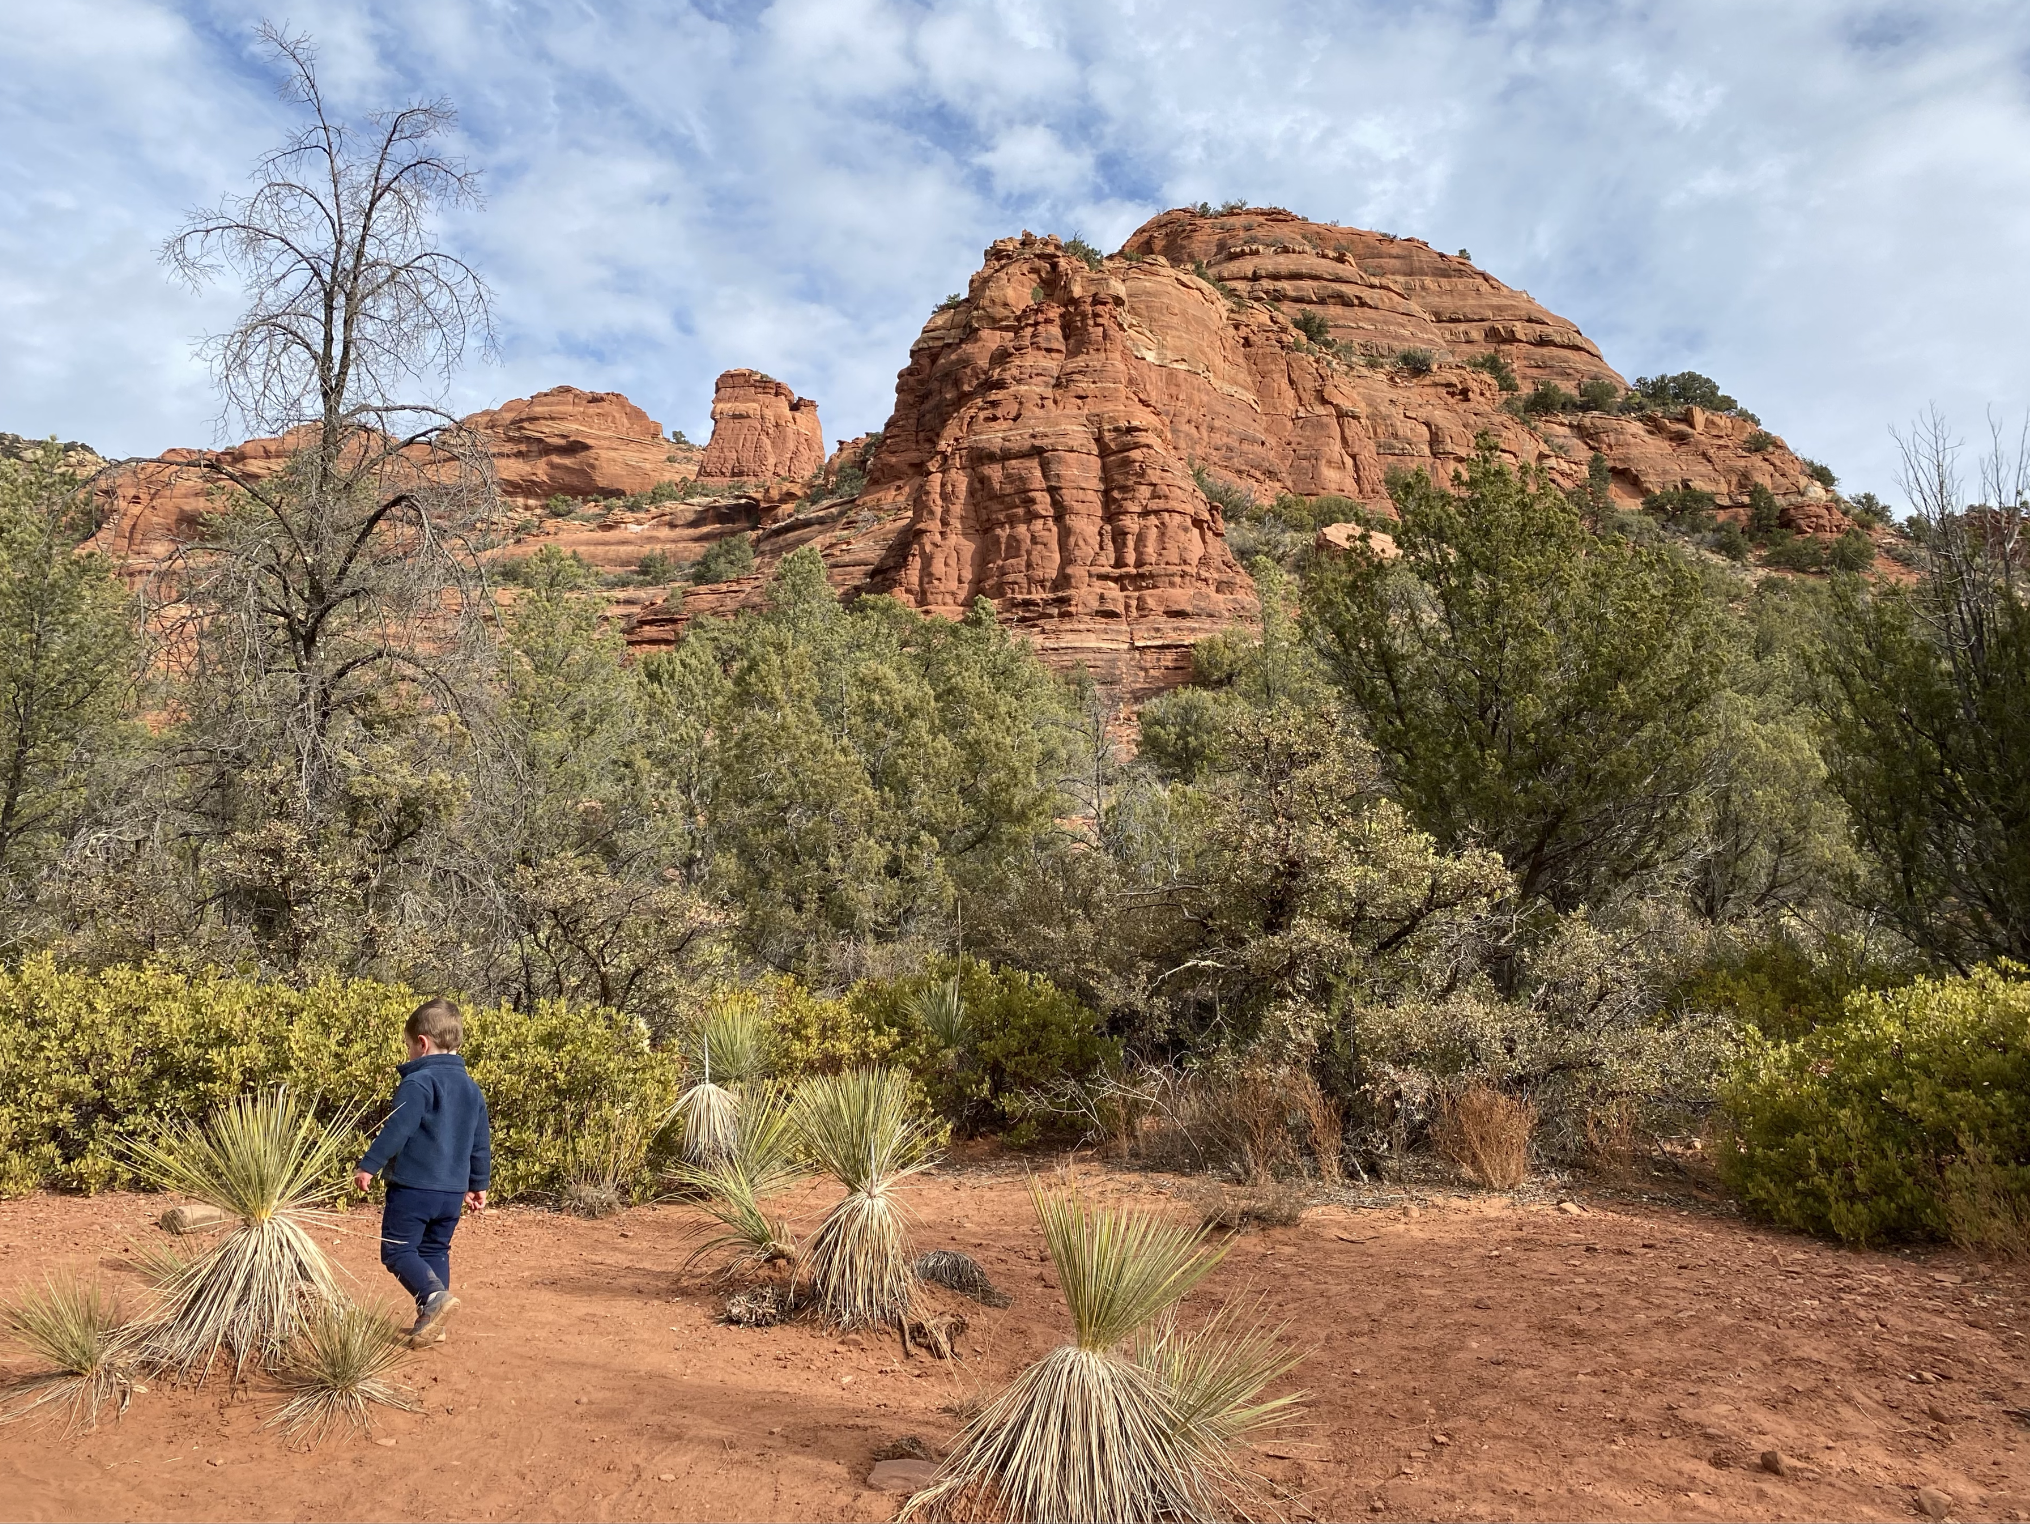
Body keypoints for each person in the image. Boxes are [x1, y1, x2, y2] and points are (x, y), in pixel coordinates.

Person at [354, 997, 492, 1347]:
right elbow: (480, 1141)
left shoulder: (419, 1083)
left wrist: (369, 1165)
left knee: (397, 1251)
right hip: (451, 1192)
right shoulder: (471, 1088)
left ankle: (433, 1299)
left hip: (415, 1187)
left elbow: (398, 1129)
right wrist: (479, 1184)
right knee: (435, 1250)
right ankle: (433, 1322)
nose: (409, 1054)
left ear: (422, 1043)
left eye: (408, 1047)